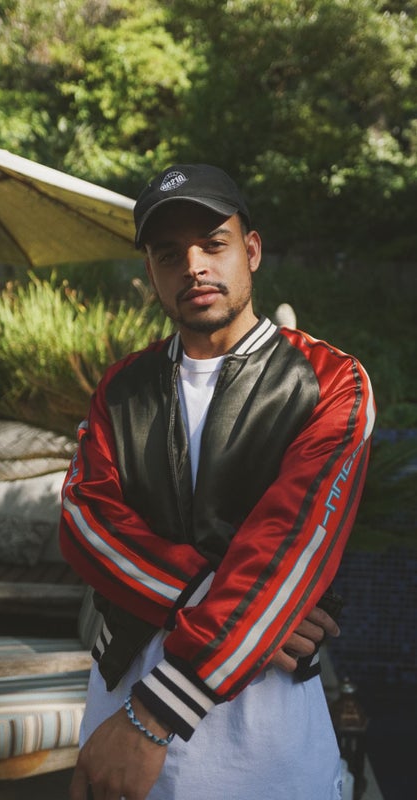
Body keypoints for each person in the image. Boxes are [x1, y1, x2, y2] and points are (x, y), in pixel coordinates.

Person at [59, 164, 375, 800]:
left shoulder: (331, 380)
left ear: (251, 250)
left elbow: (289, 548)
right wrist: (258, 610)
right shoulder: (122, 387)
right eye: (168, 253)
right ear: (150, 271)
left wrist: (152, 717)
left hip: (259, 745)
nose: (193, 266)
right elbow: (86, 523)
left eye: (213, 243)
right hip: (118, 707)